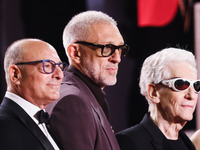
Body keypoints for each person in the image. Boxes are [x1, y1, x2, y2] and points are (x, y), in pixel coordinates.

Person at [46, 10, 129, 150]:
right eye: (107, 48)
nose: (117, 58)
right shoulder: (72, 102)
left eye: (120, 49)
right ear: (75, 53)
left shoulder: (85, 95)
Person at [116, 48, 198, 150]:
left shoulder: (188, 144)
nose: (192, 96)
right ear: (153, 93)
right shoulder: (128, 142)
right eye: (180, 84)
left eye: (196, 86)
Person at [0, 38, 65, 150]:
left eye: (60, 67)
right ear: (16, 74)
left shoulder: (47, 123)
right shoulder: (3, 127)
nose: (60, 75)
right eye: (48, 66)